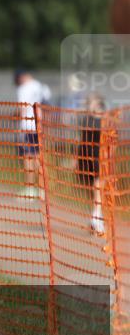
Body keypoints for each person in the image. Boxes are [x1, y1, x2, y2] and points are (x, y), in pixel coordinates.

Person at [15, 69, 51, 199]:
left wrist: (18, 123)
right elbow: (47, 105)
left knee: (28, 157)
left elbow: (22, 108)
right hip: (39, 126)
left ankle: (30, 188)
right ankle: (43, 190)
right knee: (38, 158)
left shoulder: (23, 88)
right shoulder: (42, 87)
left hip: (27, 126)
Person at [77, 93, 106, 235]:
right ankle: (96, 217)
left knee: (98, 187)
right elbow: (82, 141)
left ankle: (96, 219)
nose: (88, 106)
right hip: (87, 157)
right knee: (92, 190)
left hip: (100, 158)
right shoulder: (87, 120)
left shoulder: (105, 121)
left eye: (91, 103)